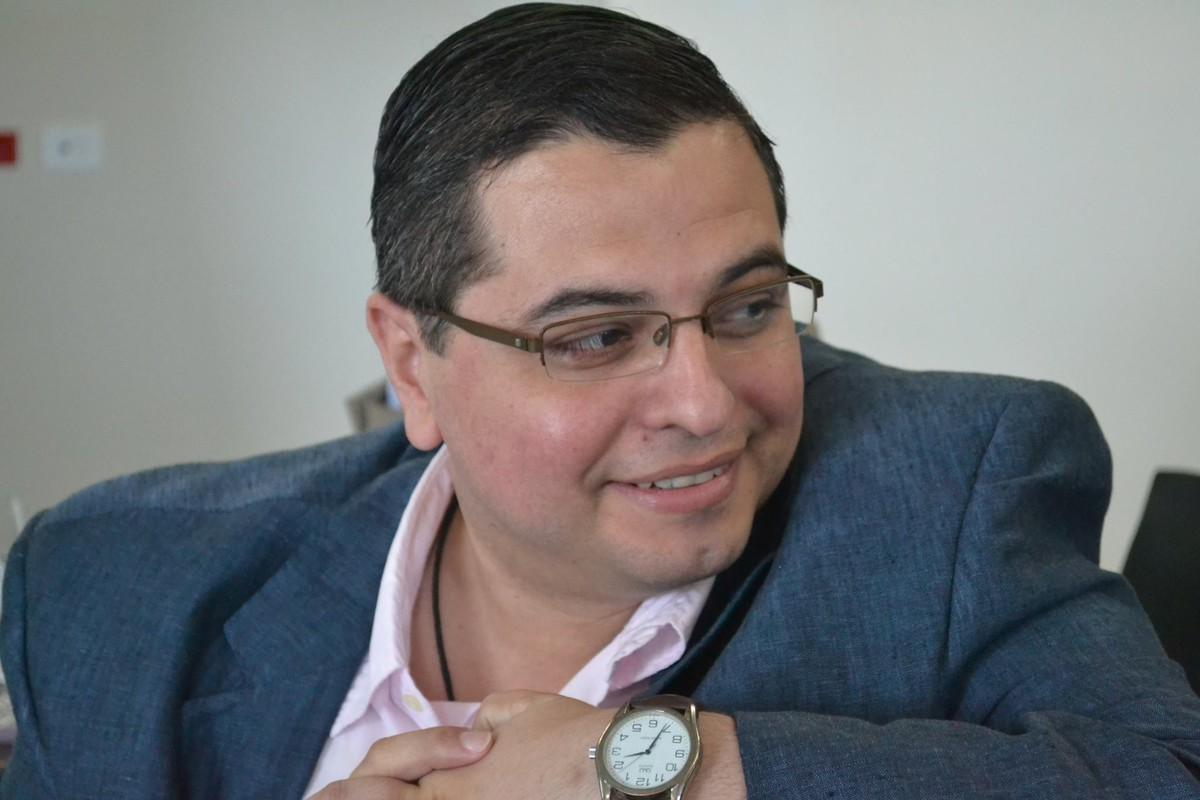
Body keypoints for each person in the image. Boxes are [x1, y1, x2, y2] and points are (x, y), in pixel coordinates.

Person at [2, 4, 1198, 798]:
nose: (704, 403)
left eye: (747, 305)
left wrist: (659, 768)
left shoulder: (953, 483)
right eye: (596, 337)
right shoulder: (112, 579)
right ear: (412, 364)